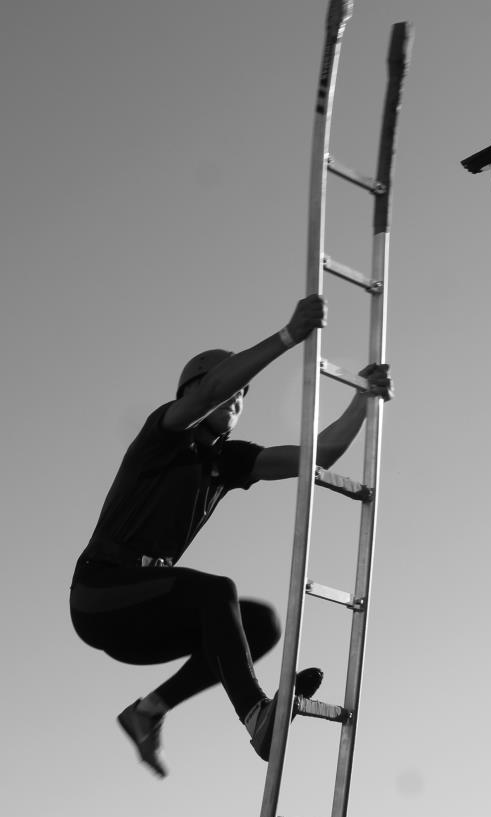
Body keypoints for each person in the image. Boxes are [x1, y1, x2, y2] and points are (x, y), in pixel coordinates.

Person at [70, 294, 392, 777]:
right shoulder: (165, 433)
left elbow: (318, 456)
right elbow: (210, 392)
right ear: (192, 393)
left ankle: (148, 711)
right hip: (99, 594)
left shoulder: (228, 460)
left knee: (258, 623)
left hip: (143, 619)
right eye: (230, 388)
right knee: (215, 591)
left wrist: (362, 400)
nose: (236, 398)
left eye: (244, 395)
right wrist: (288, 336)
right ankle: (256, 715)